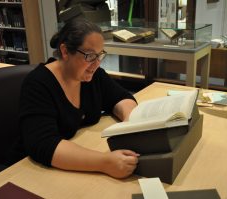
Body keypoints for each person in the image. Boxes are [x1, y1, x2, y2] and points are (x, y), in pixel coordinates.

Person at [17, 18, 139, 178]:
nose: (96, 64)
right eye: (89, 56)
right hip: (33, 173)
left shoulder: (93, 76)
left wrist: (133, 124)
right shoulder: (38, 84)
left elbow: (121, 97)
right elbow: (44, 144)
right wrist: (104, 162)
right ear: (65, 51)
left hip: (75, 161)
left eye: (100, 55)